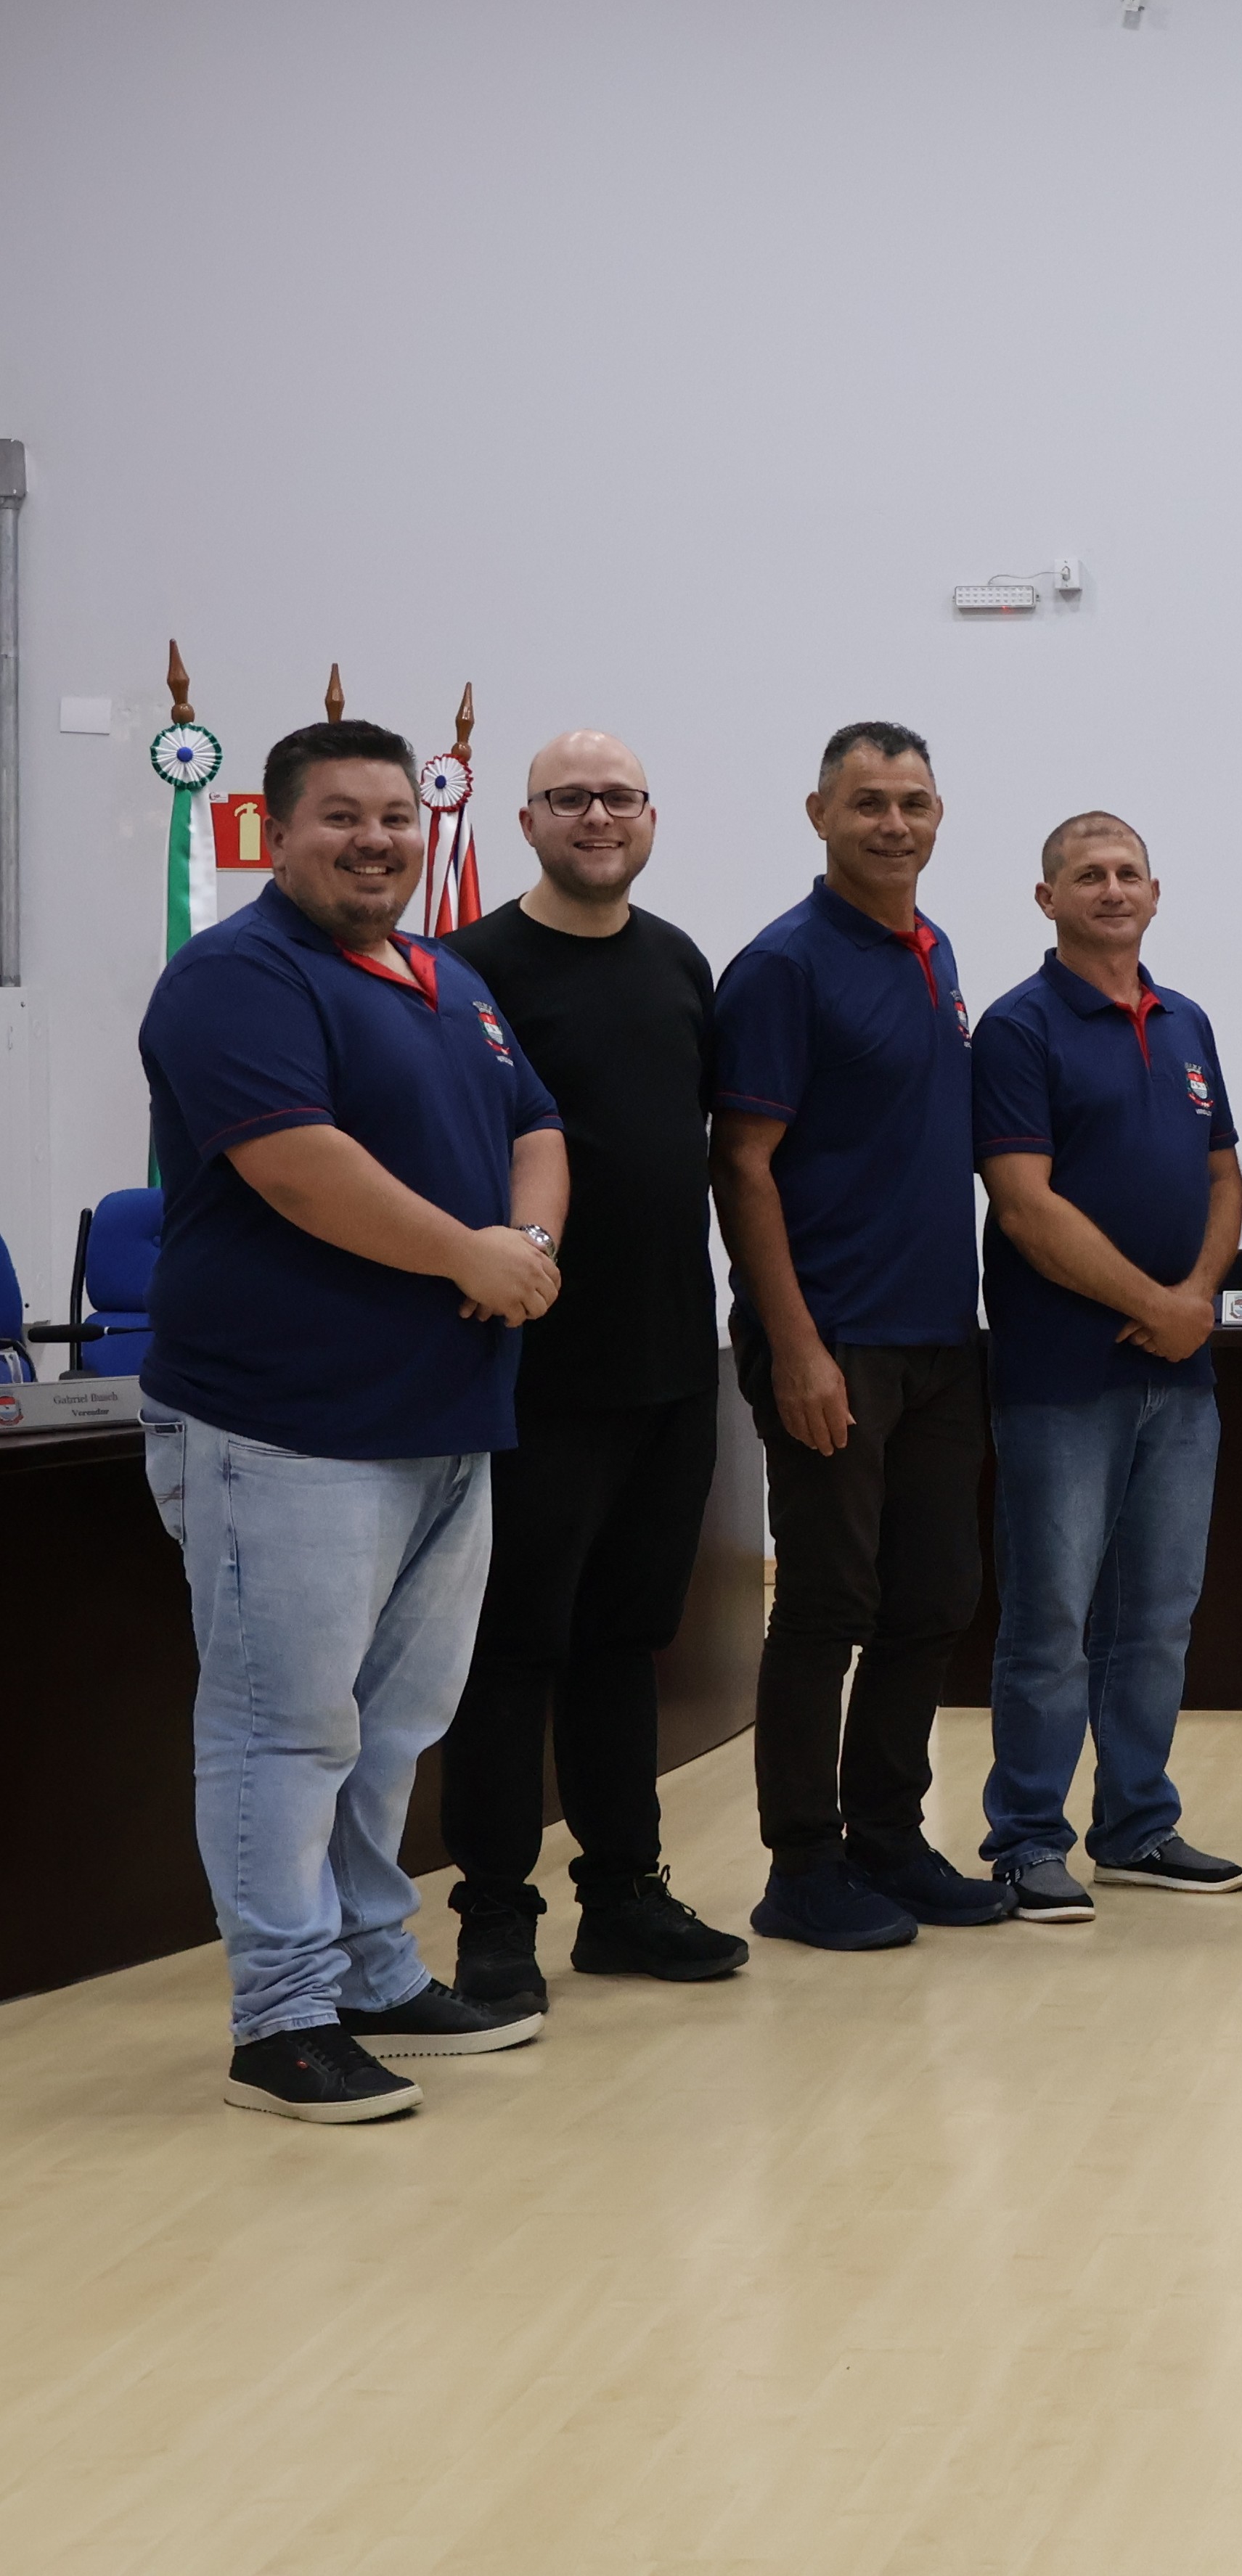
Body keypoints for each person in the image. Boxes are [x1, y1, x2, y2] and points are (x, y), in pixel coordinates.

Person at [137, 718, 566, 2121]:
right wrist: (468, 1256)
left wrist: (526, 1242)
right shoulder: (236, 976)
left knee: (391, 1727)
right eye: (341, 817)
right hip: (286, 1423)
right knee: (285, 1726)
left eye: (395, 817)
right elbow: (295, 1166)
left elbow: (537, 1125)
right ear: (276, 833)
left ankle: (374, 1971)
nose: (376, 840)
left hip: (444, 1421)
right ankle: (281, 2018)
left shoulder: (450, 980)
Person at [435, 730, 745, 2010]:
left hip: (672, 1362)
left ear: (652, 817)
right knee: (515, 1647)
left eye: (619, 796)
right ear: (526, 821)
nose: (598, 816)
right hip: (532, 1371)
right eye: (570, 798)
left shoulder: (678, 961)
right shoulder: (469, 968)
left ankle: (621, 1895)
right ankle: (493, 1918)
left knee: (627, 1640)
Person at [708, 721, 1011, 1949]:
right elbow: (741, 1160)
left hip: (941, 1336)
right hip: (831, 1339)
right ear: (819, 814)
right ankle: (801, 1864)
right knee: (827, 1603)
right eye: (869, 801)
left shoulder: (934, 950)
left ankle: (888, 1837)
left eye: (914, 802)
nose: (894, 822)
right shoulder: (783, 965)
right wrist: (794, 1346)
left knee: (932, 1597)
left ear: (939, 816)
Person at [968, 813, 1242, 1920]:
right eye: (1088, 874)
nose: (1113, 888)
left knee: (1160, 1616)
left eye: (1129, 871)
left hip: (1179, 1379)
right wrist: (1159, 1305)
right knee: (1050, 1619)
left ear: (1156, 892)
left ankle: (1137, 1825)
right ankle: (1026, 1840)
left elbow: (1224, 1177)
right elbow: (1024, 1205)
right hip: (1060, 1377)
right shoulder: (1017, 1027)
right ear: (1047, 898)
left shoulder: (1187, 1023)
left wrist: (1198, 1300)